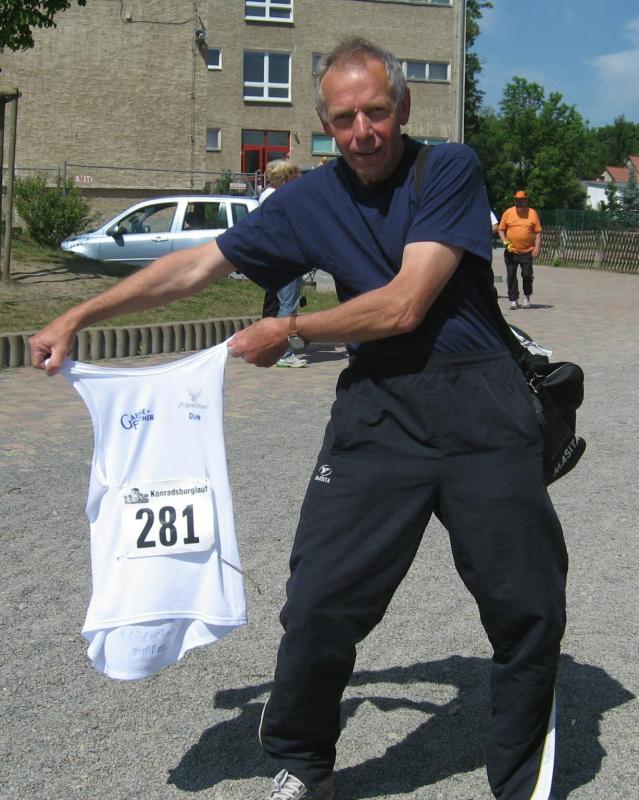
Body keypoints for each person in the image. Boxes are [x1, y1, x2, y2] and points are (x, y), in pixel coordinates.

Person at [29, 38, 567, 800]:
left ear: (402, 107)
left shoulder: (447, 169)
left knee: (524, 604)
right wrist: (79, 314)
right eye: (344, 119)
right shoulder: (309, 200)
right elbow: (197, 265)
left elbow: (405, 304)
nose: (362, 132)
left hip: (478, 401)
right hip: (378, 409)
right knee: (319, 599)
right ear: (323, 126)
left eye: (375, 112)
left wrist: (292, 329)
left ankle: (519, 780)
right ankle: (304, 760)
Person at [259, 160, 307, 367]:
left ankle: (275, 349)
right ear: (286, 178)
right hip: (286, 258)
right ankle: (284, 354)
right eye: (293, 176)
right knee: (288, 305)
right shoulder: (279, 198)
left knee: (281, 304)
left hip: (278, 257)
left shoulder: (267, 195)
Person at [498, 191, 542, 310]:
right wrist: (505, 241)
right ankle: (513, 300)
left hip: (527, 251)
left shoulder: (532, 213)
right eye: (517, 200)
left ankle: (527, 297)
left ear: (526, 201)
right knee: (511, 275)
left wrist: (537, 247)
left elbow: (538, 232)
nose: (519, 202)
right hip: (511, 250)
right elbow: (501, 229)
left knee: (527, 275)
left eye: (522, 200)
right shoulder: (508, 212)